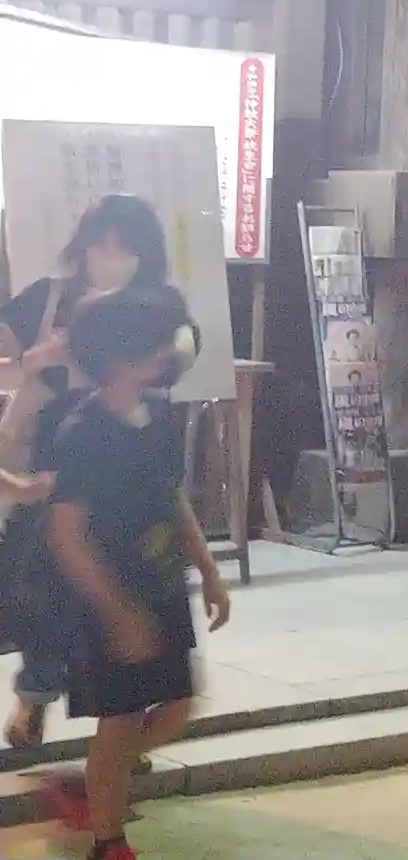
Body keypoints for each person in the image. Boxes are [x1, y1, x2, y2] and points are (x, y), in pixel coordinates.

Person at [42, 284, 230, 859]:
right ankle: (108, 841)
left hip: (160, 589)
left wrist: (208, 570)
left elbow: (172, 498)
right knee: (121, 721)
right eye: (157, 340)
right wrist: (119, 614)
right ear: (120, 355)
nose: (171, 349)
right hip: (107, 602)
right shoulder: (83, 433)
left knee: (177, 706)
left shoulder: (158, 414)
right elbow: (65, 533)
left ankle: (94, 783)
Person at [0, 195, 177, 751]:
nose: (111, 259)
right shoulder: (47, 298)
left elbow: (177, 366)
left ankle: (120, 735)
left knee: (127, 586)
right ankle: (37, 695)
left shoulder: (157, 306)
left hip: (127, 465)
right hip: (52, 463)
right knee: (48, 589)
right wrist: (36, 359)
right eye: (101, 246)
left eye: (126, 249)